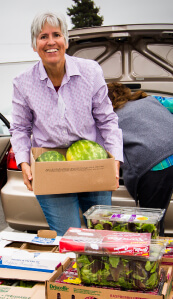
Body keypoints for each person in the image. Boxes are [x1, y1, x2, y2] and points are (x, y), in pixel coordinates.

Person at [10, 12, 123, 236]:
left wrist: (115, 160)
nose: (51, 42)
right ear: (34, 44)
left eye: (57, 35)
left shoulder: (90, 71)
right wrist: (24, 163)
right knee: (68, 237)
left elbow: (107, 119)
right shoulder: (23, 82)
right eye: (43, 36)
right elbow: (20, 128)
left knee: (102, 235)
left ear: (66, 41)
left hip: (94, 164)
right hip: (52, 167)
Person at [107, 82, 173, 267]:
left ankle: (156, 273)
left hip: (155, 164)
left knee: (153, 225)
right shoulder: (152, 101)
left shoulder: (106, 118)